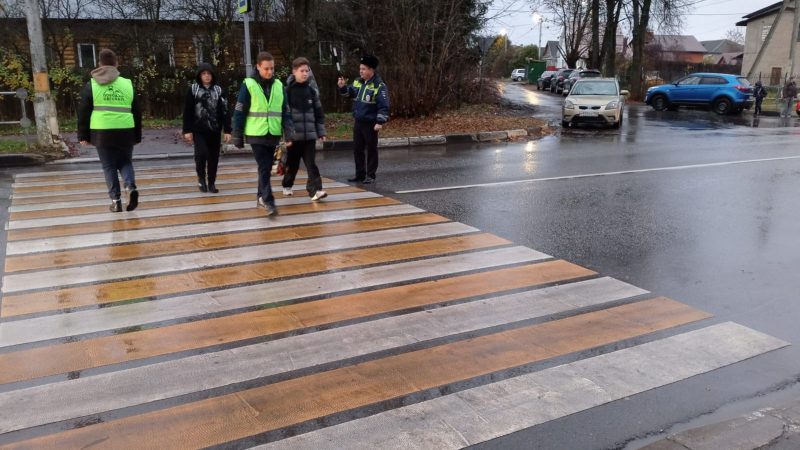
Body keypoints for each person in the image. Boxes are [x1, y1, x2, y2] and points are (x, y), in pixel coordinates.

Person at [77, 48, 142, 213]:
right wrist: (137, 134)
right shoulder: (127, 84)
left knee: (109, 166)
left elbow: (83, 111)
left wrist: (83, 135)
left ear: (100, 64)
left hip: (102, 132)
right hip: (126, 130)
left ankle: (116, 201)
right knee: (125, 162)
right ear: (116, 63)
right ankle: (130, 187)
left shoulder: (91, 84)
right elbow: (137, 111)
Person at [231, 51, 293, 216]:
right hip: (256, 134)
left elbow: (285, 112)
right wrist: (237, 135)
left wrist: (289, 133)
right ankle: (268, 201)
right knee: (264, 166)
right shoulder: (249, 84)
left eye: (272, 68)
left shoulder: (279, 86)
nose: (269, 72)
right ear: (258, 67)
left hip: (273, 133)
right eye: (266, 68)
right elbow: (240, 110)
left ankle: (260, 196)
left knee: (264, 167)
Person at [337, 54, 389, 184]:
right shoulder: (358, 81)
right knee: (357, 149)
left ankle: (370, 175)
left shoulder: (379, 85)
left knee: (371, 149)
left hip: (371, 123)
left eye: (364, 69)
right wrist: (343, 87)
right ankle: (359, 174)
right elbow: (350, 93)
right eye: (360, 68)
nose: (361, 71)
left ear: (371, 70)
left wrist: (380, 122)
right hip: (359, 121)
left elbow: (384, 105)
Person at [282, 57, 328, 201]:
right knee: (292, 165)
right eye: (301, 71)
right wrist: (286, 136)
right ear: (294, 72)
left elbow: (319, 113)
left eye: (307, 71)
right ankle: (287, 184)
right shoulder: (287, 91)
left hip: (309, 137)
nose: (305, 73)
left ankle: (316, 190)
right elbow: (283, 115)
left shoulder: (311, 91)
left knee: (311, 164)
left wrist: (321, 132)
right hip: (294, 138)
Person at [182, 63, 232, 193]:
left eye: (209, 74)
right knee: (201, 154)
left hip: (214, 130)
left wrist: (227, 130)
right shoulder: (193, 90)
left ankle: (211, 182)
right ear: (199, 75)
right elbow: (187, 111)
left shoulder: (219, 90)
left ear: (212, 75)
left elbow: (225, 110)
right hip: (198, 130)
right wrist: (187, 130)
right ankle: (201, 179)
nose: (206, 76)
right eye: (204, 74)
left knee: (213, 157)